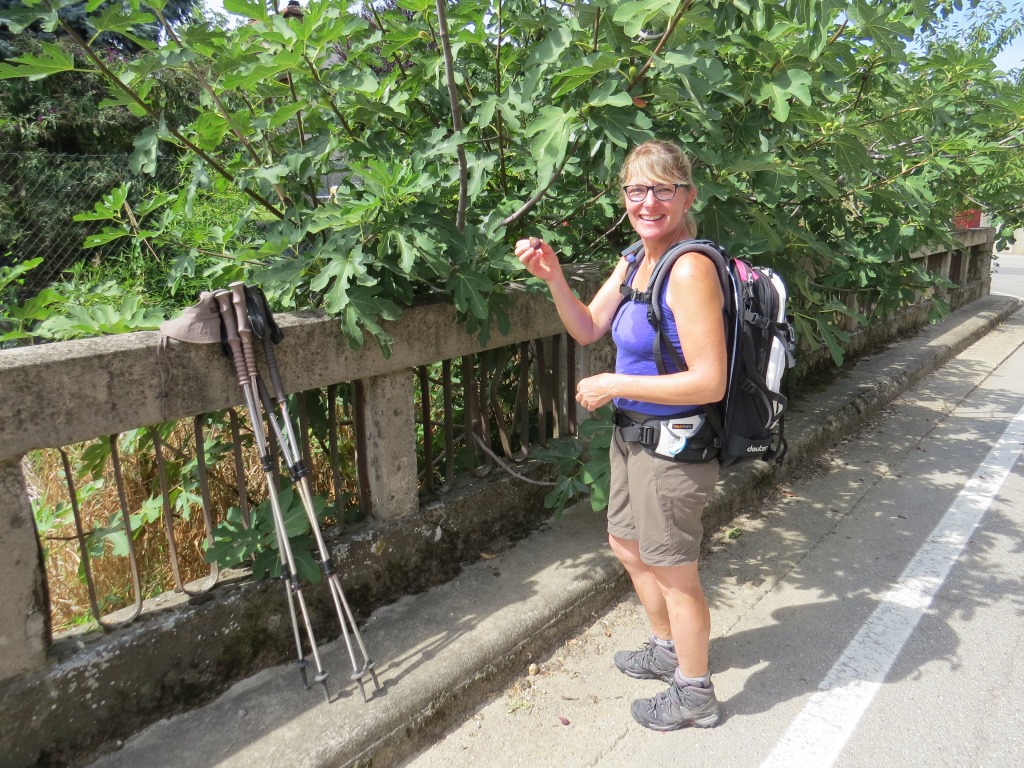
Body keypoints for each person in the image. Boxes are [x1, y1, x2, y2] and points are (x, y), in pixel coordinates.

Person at [514, 140, 727, 731]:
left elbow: (710, 381)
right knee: (627, 546)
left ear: (687, 196)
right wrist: (553, 276)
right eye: (637, 189)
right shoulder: (636, 259)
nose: (649, 201)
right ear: (624, 198)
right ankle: (665, 648)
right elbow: (587, 328)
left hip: (676, 443)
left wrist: (610, 382)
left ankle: (695, 690)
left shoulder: (689, 268)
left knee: (674, 569)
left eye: (663, 189)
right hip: (632, 435)